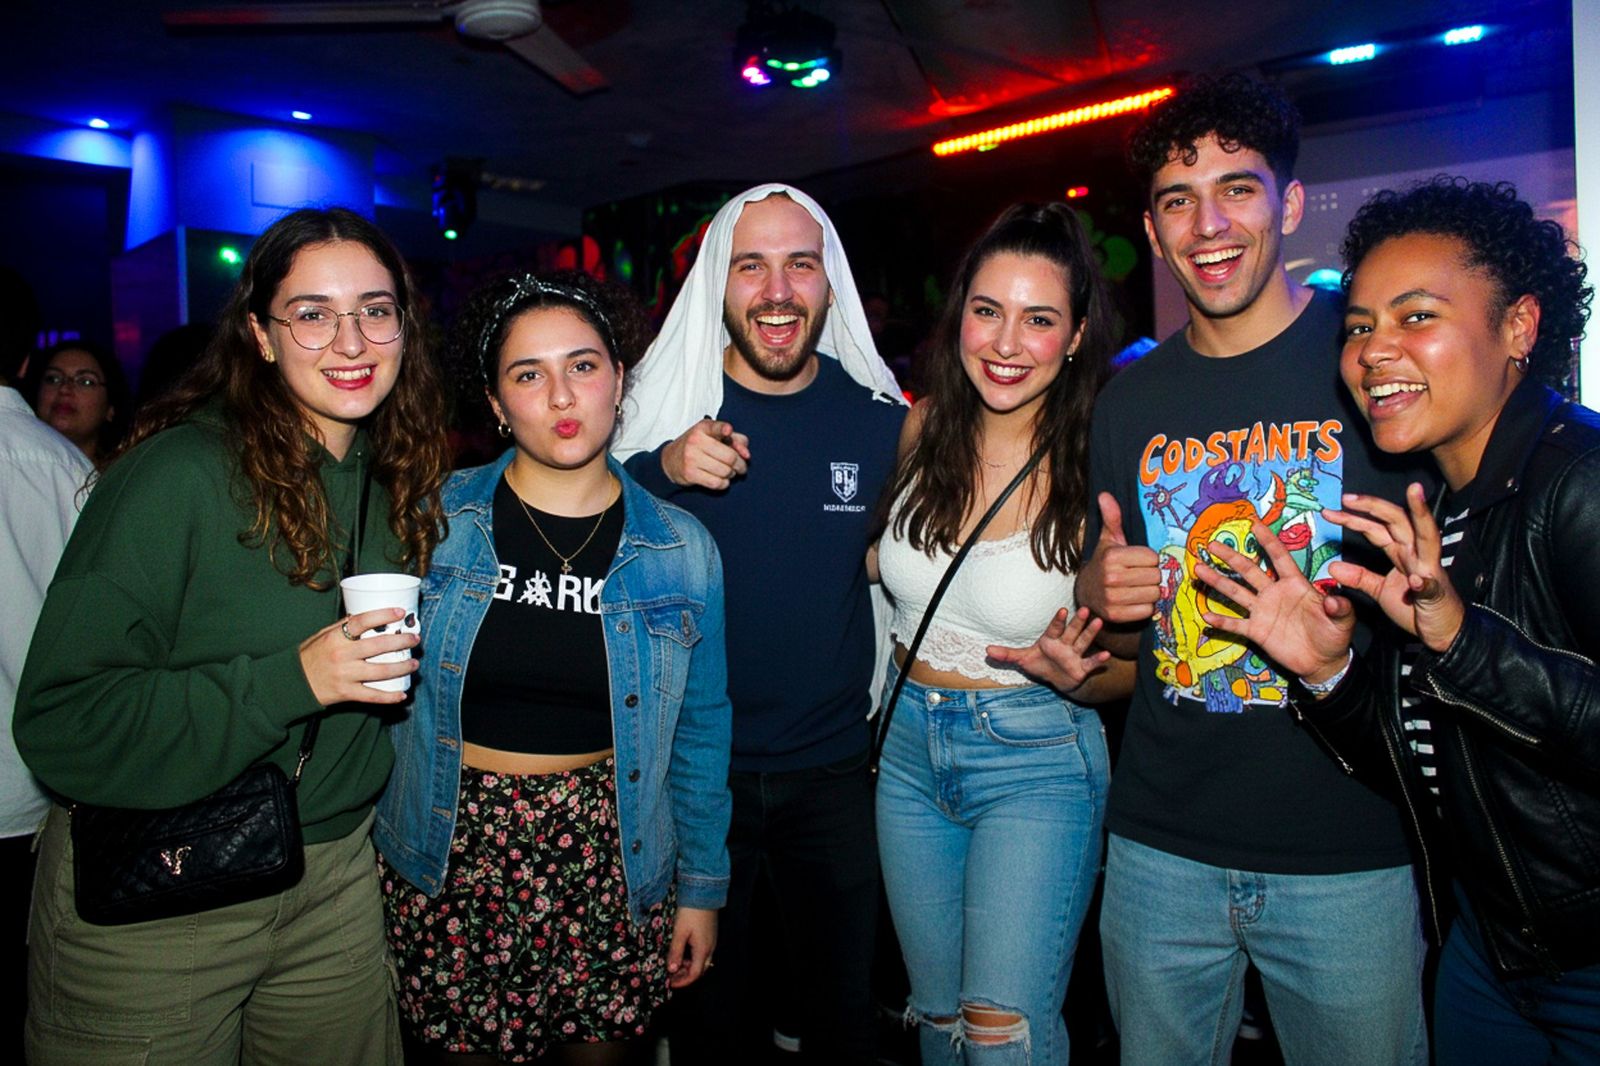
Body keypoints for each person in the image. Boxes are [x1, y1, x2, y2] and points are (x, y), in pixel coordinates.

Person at [14, 206, 451, 1065]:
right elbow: (61, 720)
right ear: (260, 332)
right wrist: (295, 680)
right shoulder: (176, 474)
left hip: (331, 878)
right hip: (160, 887)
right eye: (313, 313)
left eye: (375, 308)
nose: (351, 340)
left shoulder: (395, 478)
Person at [1194, 176, 1598, 1065]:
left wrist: (1464, 643)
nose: (1376, 351)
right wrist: (1328, 673)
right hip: (1487, 955)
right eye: (1362, 326)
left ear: (1520, 328)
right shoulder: (1436, 514)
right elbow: (1430, 763)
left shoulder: (1580, 482)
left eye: (1417, 316)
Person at [1073, 73, 1429, 1064]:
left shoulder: (1367, 363)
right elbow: (1123, 622)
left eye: (1237, 187)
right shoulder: (1125, 404)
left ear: (1291, 203)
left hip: (1347, 848)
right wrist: (1097, 599)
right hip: (1158, 849)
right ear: (1150, 231)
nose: (1207, 222)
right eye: (1177, 199)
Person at [374, 271, 732, 1063]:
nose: (561, 395)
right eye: (528, 375)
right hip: (451, 851)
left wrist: (703, 891)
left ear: (619, 379)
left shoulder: (681, 551)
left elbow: (703, 735)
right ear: (497, 406)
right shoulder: (432, 522)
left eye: (583, 365)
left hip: (613, 856)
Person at [614, 183, 905, 1063]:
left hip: (834, 777)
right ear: (718, 283)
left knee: (844, 1024)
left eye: (799, 265)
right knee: (712, 1031)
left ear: (829, 283)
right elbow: (577, 532)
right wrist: (661, 466)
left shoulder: (882, 423)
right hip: (697, 786)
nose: (777, 290)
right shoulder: (658, 421)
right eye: (752, 265)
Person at [869, 202, 1131, 1063]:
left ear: (1076, 333)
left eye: (1039, 318)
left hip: (1034, 759)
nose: (1007, 342)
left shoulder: (1101, 455)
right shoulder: (924, 428)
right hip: (906, 753)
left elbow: (1136, 670)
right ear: (960, 318)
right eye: (988, 311)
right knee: (938, 1020)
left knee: (1001, 1033)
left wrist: (1080, 671)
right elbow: (891, 563)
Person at [0, 348, 93, 1062]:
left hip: (35, 788)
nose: (67, 392)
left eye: (87, 381)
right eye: (58, 377)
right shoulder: (58, 467)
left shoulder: (80, 476)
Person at [27, 340, 132, 468]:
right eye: (53, 379)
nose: (64, 389)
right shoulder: (14, 464)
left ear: (110, 409)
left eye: (85, 382)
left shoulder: (123, 478)